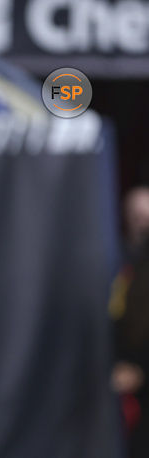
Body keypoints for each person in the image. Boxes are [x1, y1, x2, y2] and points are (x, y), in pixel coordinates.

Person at [109, 186, 149, 458]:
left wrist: (142, 370)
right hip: (122, 366)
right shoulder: (114, 256)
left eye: (146, 217)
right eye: (136, 216)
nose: (142, 223)